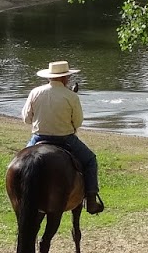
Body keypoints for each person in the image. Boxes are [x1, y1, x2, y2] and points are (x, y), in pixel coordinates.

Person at [21, 60, 104, 213]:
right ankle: (91, 200)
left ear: (49, 77)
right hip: (65, 139)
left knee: (22, 163)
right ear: (66, 78)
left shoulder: (35, 92)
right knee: (90, 160)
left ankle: (20, 195)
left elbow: (26, 118)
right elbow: (77, 122)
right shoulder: (71, 96)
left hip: (38, 138)